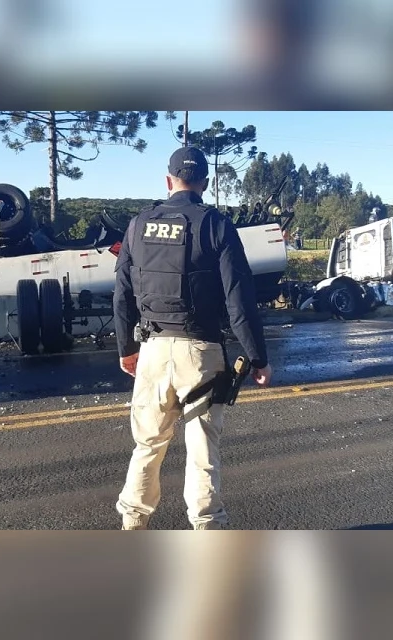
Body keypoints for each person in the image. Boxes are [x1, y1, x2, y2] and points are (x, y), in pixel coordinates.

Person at [113, 146, 273, 531]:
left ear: (169, 181)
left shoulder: (137, 225)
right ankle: (207, 531)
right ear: (204, 182)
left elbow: (121, 294)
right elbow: (240, 299)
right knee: (202, 451)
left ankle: (132, 526)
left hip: (151, 349)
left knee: (148, 446)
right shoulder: (215, 225)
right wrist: (257, 357)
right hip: (201, 354)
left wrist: (127, 349)